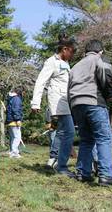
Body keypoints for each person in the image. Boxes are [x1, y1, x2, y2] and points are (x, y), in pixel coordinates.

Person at [68, 40, 112, 187]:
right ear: (100, 51)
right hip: (94, 101)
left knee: (86, 140)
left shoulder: (75, 66)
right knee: (104, 137)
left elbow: (69, 88)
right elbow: (105, 74)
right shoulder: (99, 59)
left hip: (76, 105)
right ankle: (106, 175)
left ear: (86, 52)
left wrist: (73, 109)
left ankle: (83, 173)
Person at [31, 35, 76, 177]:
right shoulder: (51, 62)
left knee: (63, 132)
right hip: (58, 103)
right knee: (69, 132)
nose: (73, 54)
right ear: (64, 49)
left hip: (66, 102)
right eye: (72, 51)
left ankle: (54, 159)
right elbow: (40, 82)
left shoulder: (65, 63)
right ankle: (61, 166)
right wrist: (35, 102)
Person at [6, 88, 23, 158]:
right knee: (17, 137)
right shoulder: (16, 99)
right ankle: (14, 152)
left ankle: (12, 151)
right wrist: (18, 119)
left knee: (13, 137)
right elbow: (16, 109)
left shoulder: (11, 98)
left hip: (10, 120)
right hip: (14, 121)